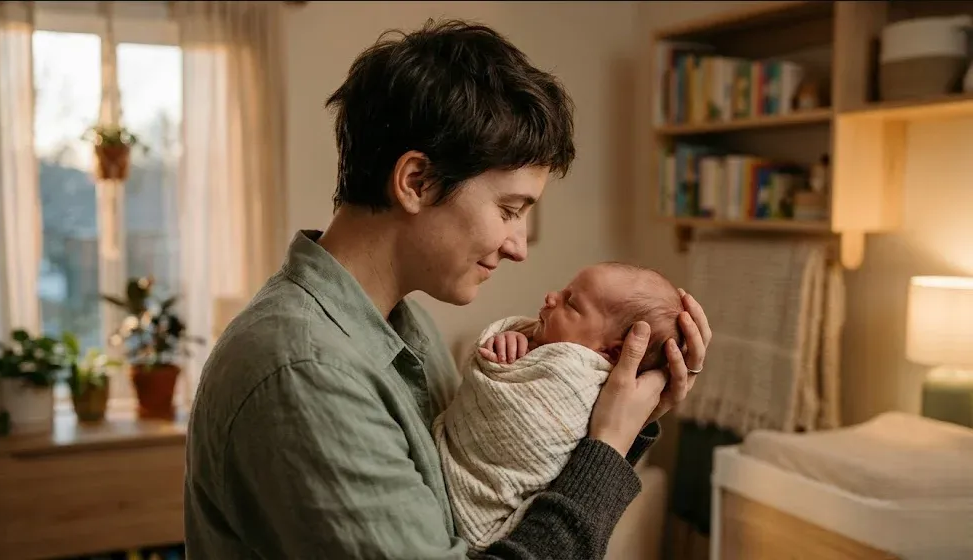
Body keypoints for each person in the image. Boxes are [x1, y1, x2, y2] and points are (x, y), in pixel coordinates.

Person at [183, 19, 712, 560]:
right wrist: (605, 450)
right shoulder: (305, 370)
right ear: (417, 181)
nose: (518, 247)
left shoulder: (403, 328)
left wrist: (625, 415)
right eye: (508, 210)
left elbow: (499, 495)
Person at [435, 263, 685, 551]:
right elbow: (491, 378)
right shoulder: (539, 350)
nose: (551, 297)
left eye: (572, 303)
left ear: (612, 352)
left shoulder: (585, 385)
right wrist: (512, 342)